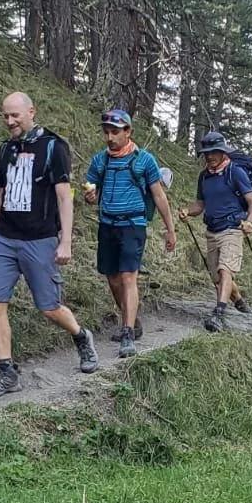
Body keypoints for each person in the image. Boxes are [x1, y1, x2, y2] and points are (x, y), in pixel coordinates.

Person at [0, 92, 99, 399]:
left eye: (15, 116)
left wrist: (65, 241)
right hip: (5, 237)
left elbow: (64, 197)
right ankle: (7, 372)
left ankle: (81, 336)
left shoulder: (53, 147)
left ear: (31, 112)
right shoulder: (5, 149)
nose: (10, 122)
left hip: (40, 239)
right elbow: (0, 192)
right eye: (5, 116)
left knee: (49, 307)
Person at [83, 109, 176, 358]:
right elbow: (92, 192)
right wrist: (89, 195)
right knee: (113, 279)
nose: (109, 137)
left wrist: (170, 230)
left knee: (128, 277)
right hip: (107, 224)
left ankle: (127, 333)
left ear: (128, 132)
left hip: (133, 225)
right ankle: (132, 320)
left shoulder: (144, 160)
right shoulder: (99, 161)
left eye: (115, 132)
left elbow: (159, 196)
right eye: (106, 132)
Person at [181, 130, 252, 332]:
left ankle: (219, 313)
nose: (209, 156)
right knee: (218, 276)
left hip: (233, 228)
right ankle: (240, 303)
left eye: (214, 152)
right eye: (206, 153)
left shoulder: (235, 172)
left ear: (223, 152)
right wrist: (187, 211)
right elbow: (200, 205)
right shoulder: (204, 177)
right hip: (212, 230)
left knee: (225, 270)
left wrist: (250, 221)